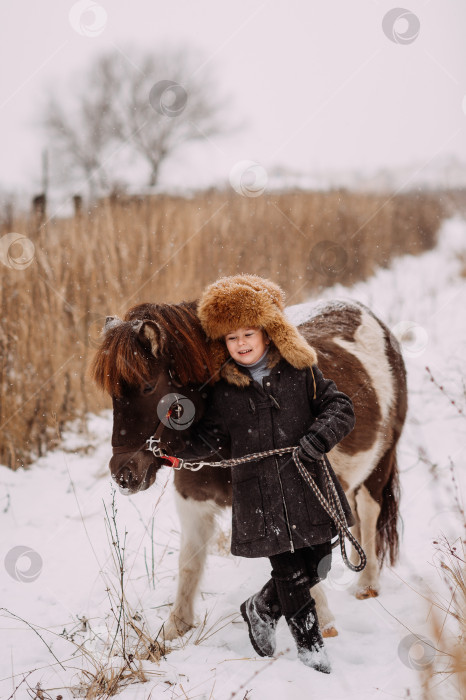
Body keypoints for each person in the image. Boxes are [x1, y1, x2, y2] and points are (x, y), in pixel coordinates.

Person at [164, 274, 355, 673]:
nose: (241, 344)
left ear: (268, 333)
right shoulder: (223, 392)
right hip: (260, 495)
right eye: (231, 338)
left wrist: (318, 438)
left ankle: (261, 607)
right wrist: (177, 450)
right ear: (222, 344)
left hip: (307, 484)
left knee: (320, 558)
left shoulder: (301, 372)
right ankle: (311, 650)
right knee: (287, 569)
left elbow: (341, 409)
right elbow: (213, 441)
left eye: (248, 333)